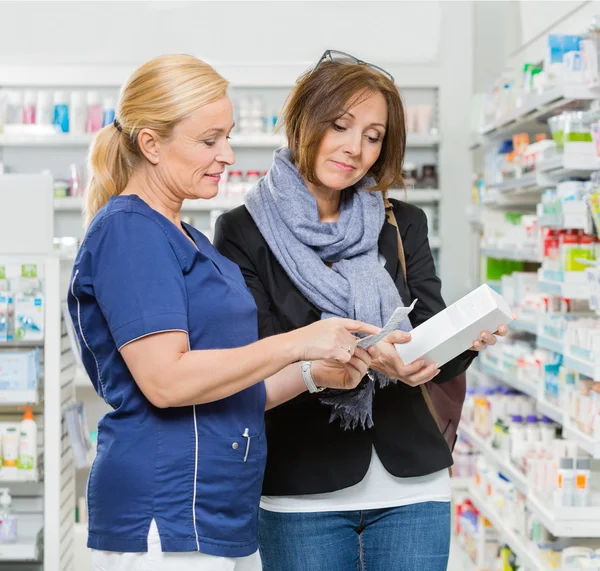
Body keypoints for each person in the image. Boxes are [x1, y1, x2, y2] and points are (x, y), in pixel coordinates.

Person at [67, 53, 378, 571]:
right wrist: (299, 341)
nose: (227, 154)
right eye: (209, 140)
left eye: (227, 136)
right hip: (166, 507)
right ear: (151, 143)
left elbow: (233, 389)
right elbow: (167, 381)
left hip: (214, 509)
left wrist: (313, 373)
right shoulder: (130, 232)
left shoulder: (187, 236)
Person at [214, 49, 508, 571]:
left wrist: (465, 339)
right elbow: (254, 356)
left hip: (413, 485)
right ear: (304, 120)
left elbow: (429, 332)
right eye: (341, 126)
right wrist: (372, 358)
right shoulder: (242, 229)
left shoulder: (401, 222)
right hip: (301, 486)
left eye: (373, 136)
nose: (355, 149)